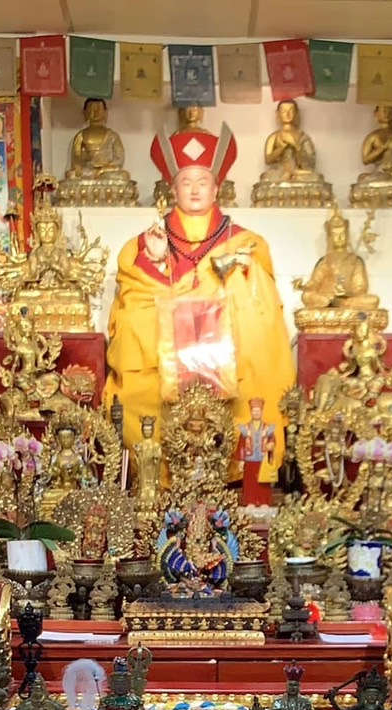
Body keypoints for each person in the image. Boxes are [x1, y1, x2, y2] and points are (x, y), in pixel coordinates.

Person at [106, 121, 294, 489]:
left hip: (231, 357)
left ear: (217, 187)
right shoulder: (143, 244)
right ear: (172, 188)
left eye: (202, 181)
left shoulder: (247, 243)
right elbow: (134, 301)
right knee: (138, 387)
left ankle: (239, 476)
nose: (194, 189)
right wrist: (155, 264)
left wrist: (239, 273)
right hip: (164, 360)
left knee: (255, 364)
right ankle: (158, 480)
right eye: (186, 182)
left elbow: (262, 312)